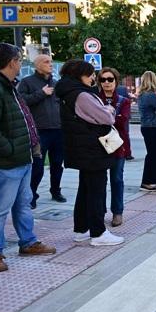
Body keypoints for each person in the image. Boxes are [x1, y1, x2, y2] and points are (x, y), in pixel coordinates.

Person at [0, 43, 56, 272]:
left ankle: (28, 242)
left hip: (22, 159)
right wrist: (9, 149)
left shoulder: (8, 86)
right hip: (4, 163)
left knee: (22, 205)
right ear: (12, 62)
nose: (22, 64)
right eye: (20, 60)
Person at [55, 60, 124, 246]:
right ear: (80, 75)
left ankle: (81, 229)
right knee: (96, 191)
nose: (94, 78)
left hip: (81, 148)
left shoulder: (67, 92)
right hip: (92, 149)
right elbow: (106, 117)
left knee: (85, 190)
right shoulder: (81, 95)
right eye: (91, 74)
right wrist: (109, 108)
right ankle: (98, 233)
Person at [17, 54, 66, 209]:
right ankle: (32, 195)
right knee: (37, 166)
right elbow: (21, 102)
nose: (50, 64)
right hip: (39, 132)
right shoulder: (27, 82)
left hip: (58, 131)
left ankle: (56, 191)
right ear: (37, 65)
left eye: (51, 62)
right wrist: (42, 93)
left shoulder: (56, 83)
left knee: (58, 164)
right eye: (46, 62)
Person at [97, 67, 131, 227]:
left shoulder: (123, 100)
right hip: (99, 145)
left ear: (116, 81)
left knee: (117, 180)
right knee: (100, 180)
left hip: (118, 145)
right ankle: (100, 211)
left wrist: (105, 116)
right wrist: (110, 115)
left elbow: (122, 120)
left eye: (110, 79)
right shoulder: (95, 98)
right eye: (103, 80)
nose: (106, 83)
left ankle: (117, 212)